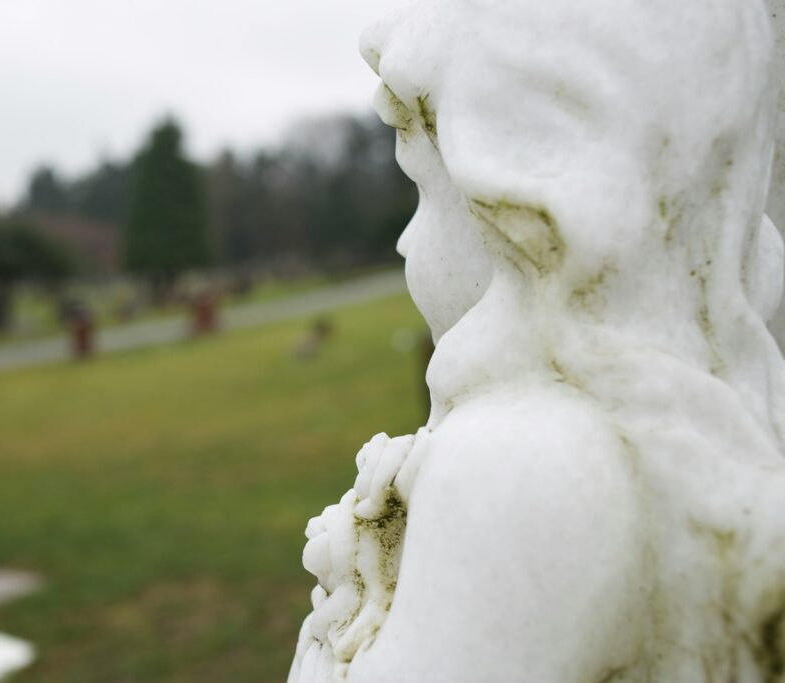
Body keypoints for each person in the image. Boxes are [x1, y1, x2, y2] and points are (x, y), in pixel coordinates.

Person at [290, 1, 785, 681]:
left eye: (423, 193)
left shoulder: (524, 460)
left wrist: (347, 607)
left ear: (523, 210)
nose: (405, 240)